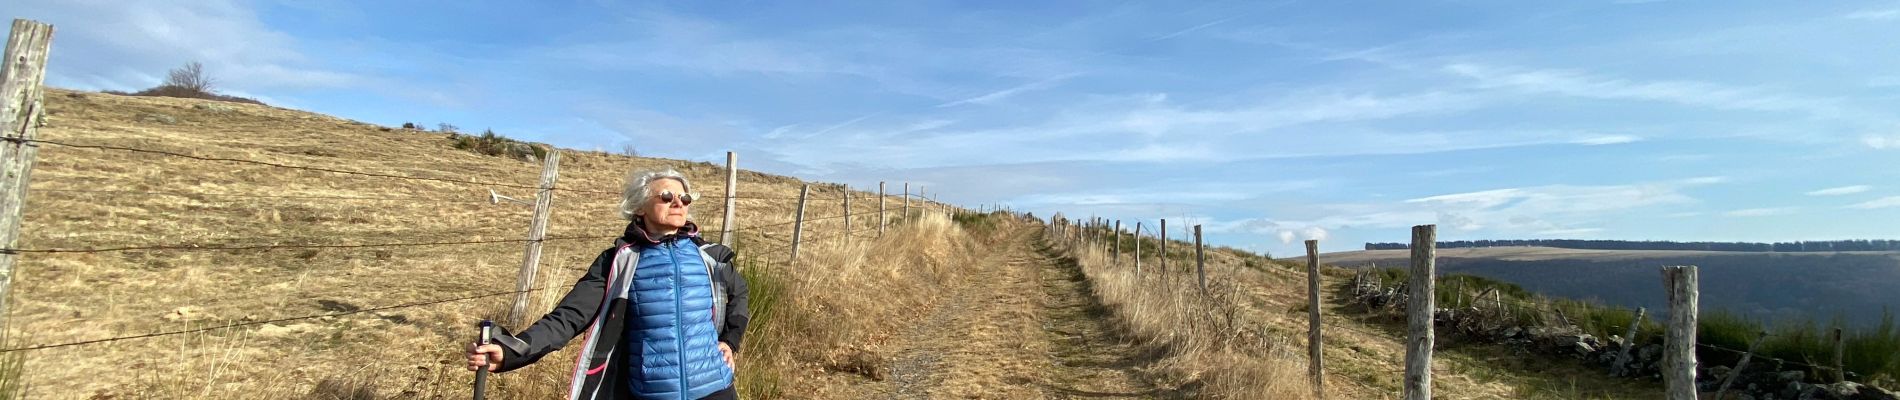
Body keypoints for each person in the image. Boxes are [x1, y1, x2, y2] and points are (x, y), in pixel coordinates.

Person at [466, 168, 750, 400]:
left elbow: (739, 295)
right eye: (666, 196)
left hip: (717, 388)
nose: (678, 203)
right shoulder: (619, 261)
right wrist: (511, 351)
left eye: (685, 198)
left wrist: (730, 341)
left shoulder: (710, 257)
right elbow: (569, 317)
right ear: (640, 206)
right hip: (651, 393)